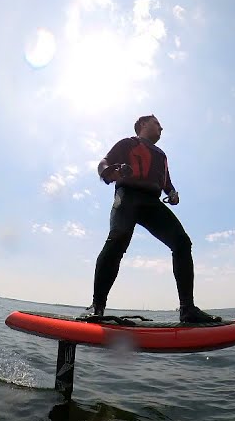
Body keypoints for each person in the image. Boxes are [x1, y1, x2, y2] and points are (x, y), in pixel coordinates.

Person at [83, 115, 222, 323]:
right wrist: (110, 172)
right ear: (142, 125)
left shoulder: (162, 155)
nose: (161, 128)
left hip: (152, 203)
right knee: (118, 239)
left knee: (182, 243)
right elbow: (104, 163)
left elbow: (167, 182)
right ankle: (97, 307)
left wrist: (173, 193)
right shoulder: (128, 143)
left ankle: (187, 309)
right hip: (128, 197)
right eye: (157, 123)